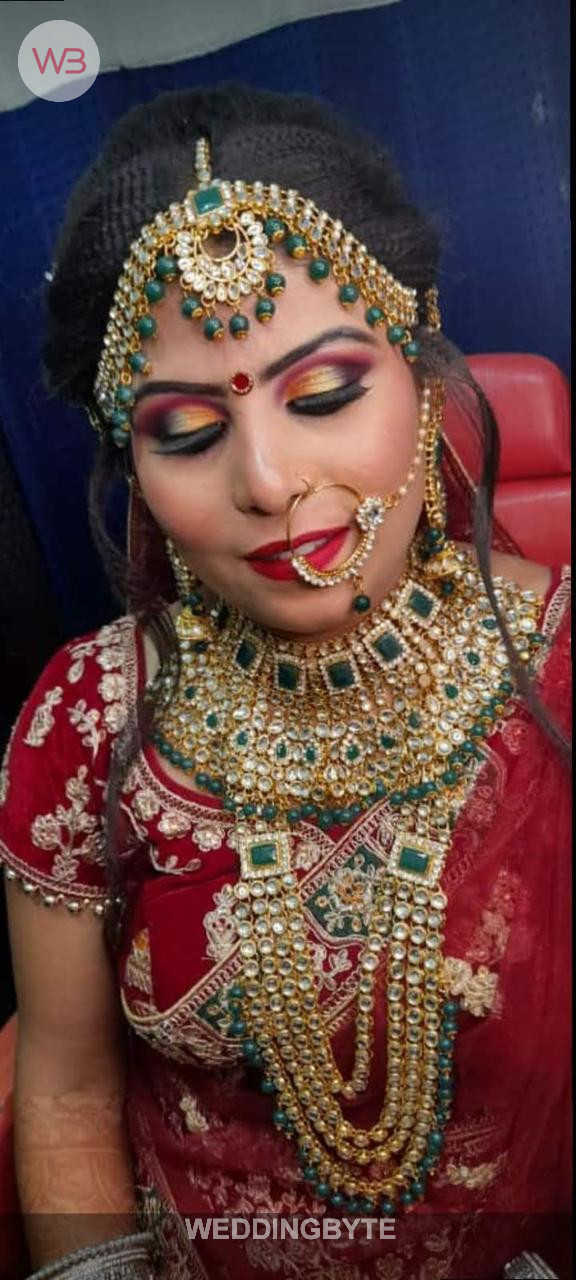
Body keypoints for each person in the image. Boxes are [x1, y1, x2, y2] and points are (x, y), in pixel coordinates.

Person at [0, 85, 571, 1280]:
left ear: (421, 369)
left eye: (324, 396)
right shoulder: (86, 720)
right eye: (187, 432)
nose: (267, 479)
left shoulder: (559, 669)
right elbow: (65, 1088)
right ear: (132, 460)